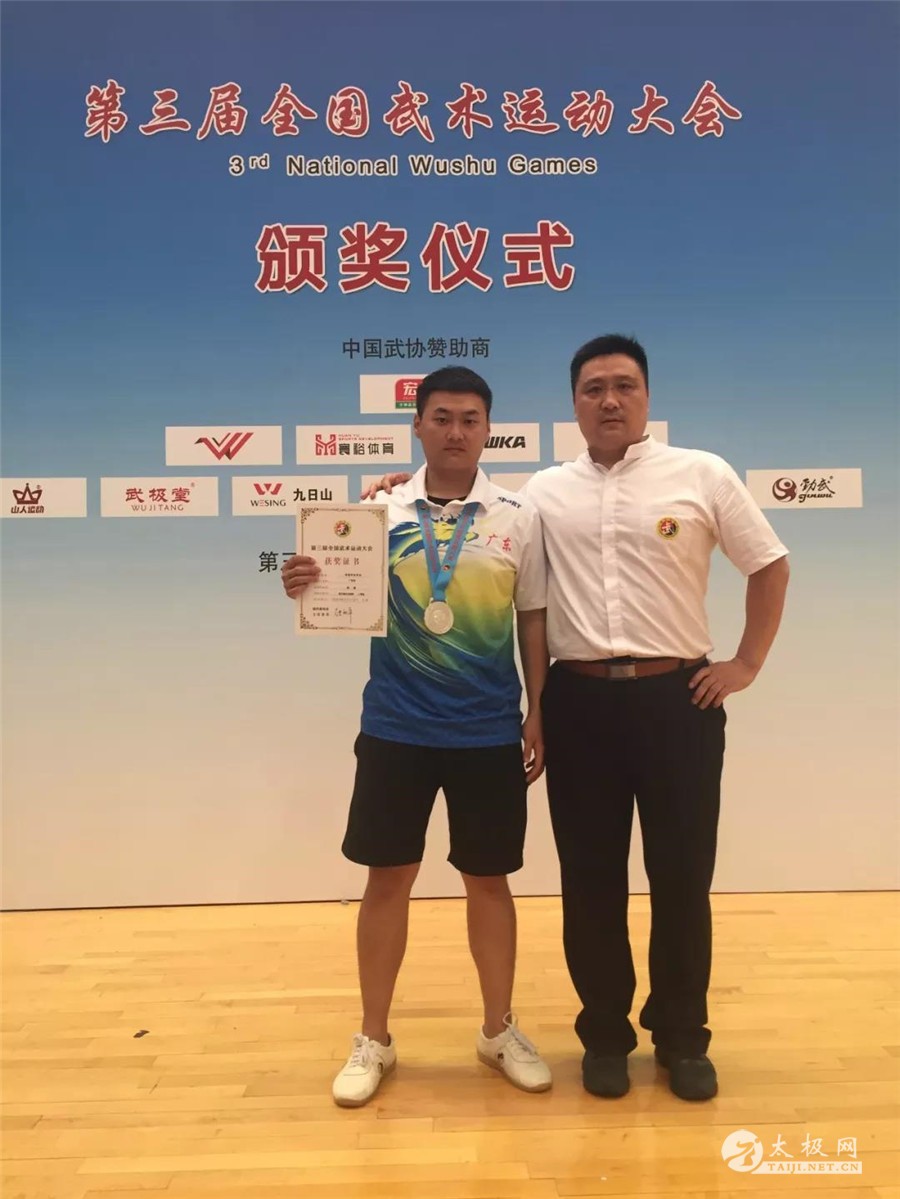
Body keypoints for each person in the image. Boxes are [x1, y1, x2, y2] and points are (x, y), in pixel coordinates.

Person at [364, 335, 790, 1103]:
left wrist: (746, 663)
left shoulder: (702, 473)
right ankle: (605, 1035)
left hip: (679, 700)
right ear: (574, 403)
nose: (610, 400)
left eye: (624, 385)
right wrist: (398, 488)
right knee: (590, 880)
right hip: (580, 704)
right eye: (594, 388)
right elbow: (461, 520)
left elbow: (769, 562)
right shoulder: (541, 495)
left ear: (647, 395)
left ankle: (682, 1037)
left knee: (682, 878)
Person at [282, 365, 552, 1107]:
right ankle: (374, 1038)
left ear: (487, 429)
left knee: (489, 882)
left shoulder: (518, 516)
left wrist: (538, 709)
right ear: (418, 425)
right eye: (441, 417)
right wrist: (302, 579)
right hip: (396, 727)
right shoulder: (378, 509)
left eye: (470, 419)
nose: (455, 431)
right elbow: (331, 586)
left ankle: (498, 1030)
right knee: (387, 880)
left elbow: (533, 618)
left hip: (487, 729)